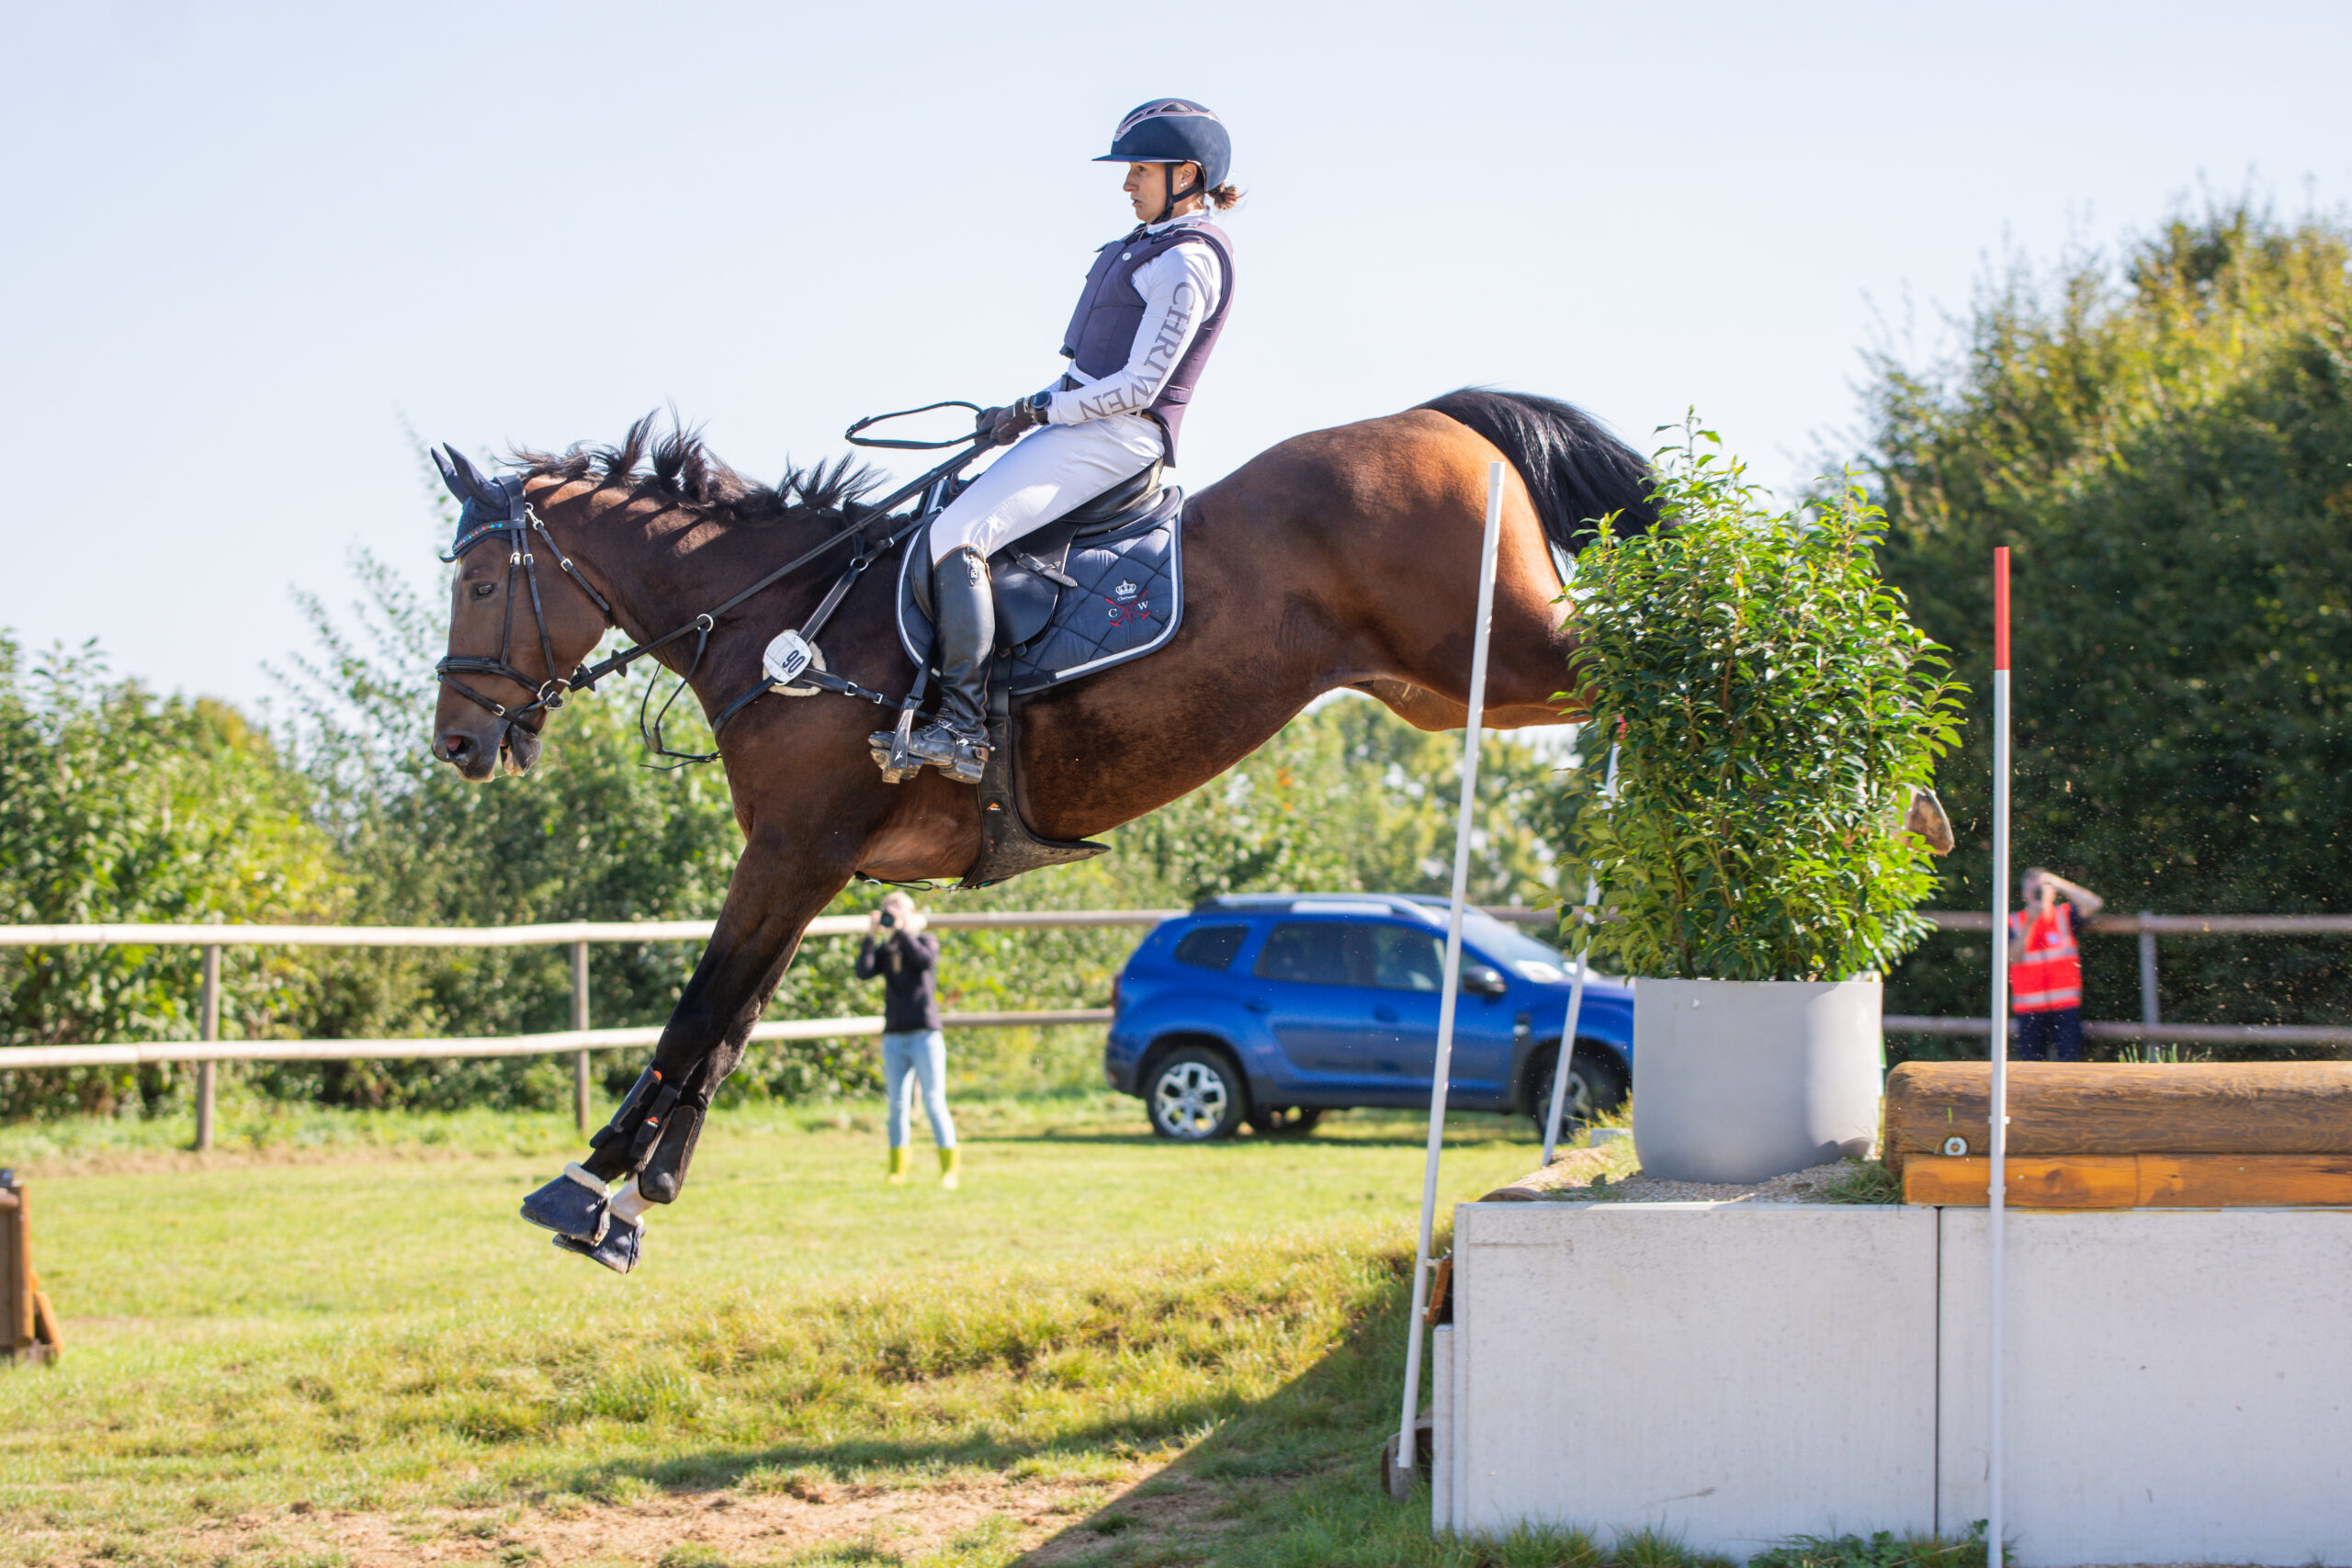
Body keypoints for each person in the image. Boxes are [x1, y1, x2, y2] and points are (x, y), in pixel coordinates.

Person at [876, 98, 1241, 784]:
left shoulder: (1188, 261)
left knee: (962, 534)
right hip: (1084, 424)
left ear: (1186, 174)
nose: (1128, 183)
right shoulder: (1148, 246)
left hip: (1119, 437)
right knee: (943, 513)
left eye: (1139, 170)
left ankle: (960, 727)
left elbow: (1138, 387)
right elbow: (1085, 371)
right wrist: (1022, 409)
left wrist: (1043, 412)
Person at [856, 891, 959, 1187]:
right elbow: (863, 971)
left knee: (933, 1100)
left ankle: (948, 1169)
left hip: (925, 1034)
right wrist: (870, 937)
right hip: (895, 1035)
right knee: (897, 1105)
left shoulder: (925, 941)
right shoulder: (888, 948)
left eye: (898, 911)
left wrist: (902, 932)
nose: (893, 917)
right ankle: (897, 1170)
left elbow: (924, 962)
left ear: (911, 914)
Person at [2007, 867, 2105, 1062]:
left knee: (2070, 1065)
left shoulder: (2065, 915)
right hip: (2029, 1009)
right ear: (2024, 893)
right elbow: (2012, 958)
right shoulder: (2015, 921)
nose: (2037, 893)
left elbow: (2095, 904)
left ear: (2051, 891)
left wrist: (2059, 883)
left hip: (2065, 1006)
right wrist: (2031, 922)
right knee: (2030, 1069)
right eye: (2033, 889)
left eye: (2041, 888)